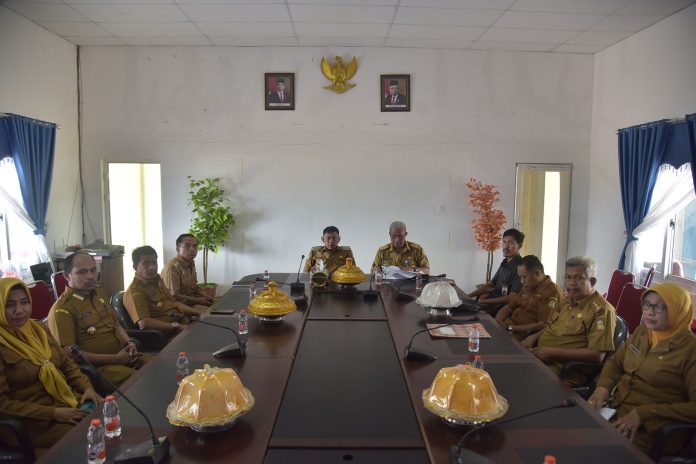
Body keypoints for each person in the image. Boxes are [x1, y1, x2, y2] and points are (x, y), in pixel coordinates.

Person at [587, 283, 696, 455]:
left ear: (678, 309)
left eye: (659, 306)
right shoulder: (643, 332)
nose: (649, 312)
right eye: (646, 304)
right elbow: (615, 363)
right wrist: (602, 388)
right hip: (616, 410)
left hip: (652, 432)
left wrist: (644, 414)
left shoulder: (690, 350)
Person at [0, 278, 102, 457]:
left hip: (65, 401)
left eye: (24, 302)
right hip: (31, 422)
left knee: (110, 416)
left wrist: (86, 388)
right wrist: (53, 413)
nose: (19, 311)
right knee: (91, 439)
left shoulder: (38, 329)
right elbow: (2, 404)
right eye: (10, 305)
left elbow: (66, 363)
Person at [47, 252, 148, 387]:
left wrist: (129, 343)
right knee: (142, 381)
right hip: (99, 368)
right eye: (82, 272)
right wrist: (115, 359)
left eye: (93, 270)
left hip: (123, 356)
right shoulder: (62, 309)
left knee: (159, 364)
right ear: (67, 276)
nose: (90, 276)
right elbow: (68, 355)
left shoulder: (99, 293)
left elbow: (116, 324)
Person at [523, 256, 617, 384]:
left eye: (578, 278)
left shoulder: (601, 311)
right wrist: (533, 337)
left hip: (562, 370)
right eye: (568, 277)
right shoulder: (567, 300)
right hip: (540, 356)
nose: (571, 283)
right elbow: (552, 326)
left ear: (593, 281)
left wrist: (552, 352)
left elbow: (597, 355)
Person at [124, 246, 201, 340]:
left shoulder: (156, 281)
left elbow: (174, 304)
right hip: (169, 334)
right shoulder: (136, 292)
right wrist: (177, 326)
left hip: (183, 322)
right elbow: (144, 323)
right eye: (146, 264)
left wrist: (199, 313)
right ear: (135, 267)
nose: (152, 267)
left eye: (154, 262)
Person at [495, 255, 563, 341]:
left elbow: (542, 325)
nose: (522, 281)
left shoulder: (551, 292)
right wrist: (497, 323)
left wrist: (510, 328)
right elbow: (508, 308)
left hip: (520, 336)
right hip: (507, 329)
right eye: (520, 277)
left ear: (537, 273)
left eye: (524, 277)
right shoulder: (528, 286)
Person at [465, 228, 525, 316]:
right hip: (489, 304)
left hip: (499, 309)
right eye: (504, 242)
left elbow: (513, 297)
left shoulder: (520, 266)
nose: (506, 246)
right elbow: (490, 285)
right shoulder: (505, 262)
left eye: (511, 243)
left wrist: (486, 301)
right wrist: (468, 296)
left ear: (519, 246)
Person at [161, 234, 213, 308]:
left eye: (194, 246)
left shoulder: (191, 264)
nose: (192, 249)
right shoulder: (172, 268)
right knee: (211, 313)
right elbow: (173, 297)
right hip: (179, 308)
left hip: (192, 303)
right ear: (178, 249)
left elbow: (194, 288)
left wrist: (205, 296)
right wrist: (198, 300)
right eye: (187, 246)